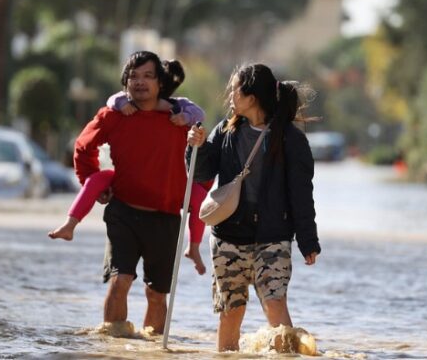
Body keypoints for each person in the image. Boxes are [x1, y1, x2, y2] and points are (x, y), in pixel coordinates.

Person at [72, 51, 211, 333]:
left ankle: (149, 353)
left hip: (167, 218)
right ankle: (113, 346)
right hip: (123, 212)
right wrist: (93, 182)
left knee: (156, 295)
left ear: (160, 83)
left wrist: (199, 138)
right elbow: (84, 147)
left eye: (148, 76)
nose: (140, 82)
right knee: (120, 280)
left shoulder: (179, 119)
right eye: (133, 76)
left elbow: (205, 164)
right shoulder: (114, 115)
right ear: (125, 82)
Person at [187, 63, 320, 352]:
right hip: (227, 238)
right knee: (230, 312)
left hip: (272, 238)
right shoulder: (226, 129)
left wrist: (308, 239)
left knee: (275, 308)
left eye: (234, 88)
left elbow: (301, 193)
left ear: (252, 97)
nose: (230, 94)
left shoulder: (290, 139)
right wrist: (195, 148)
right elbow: (201, 173)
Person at [48, 82, 209, 274]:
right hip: (128, 180)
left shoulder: (177, 106)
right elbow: (112, 100)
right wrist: (122, 103)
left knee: (199, 196)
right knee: (98, 178)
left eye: (153, 79)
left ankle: (194, 247)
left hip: (170, 184)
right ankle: (70, 224)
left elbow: (199, 114)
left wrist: (185, 117)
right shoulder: (127, 103)